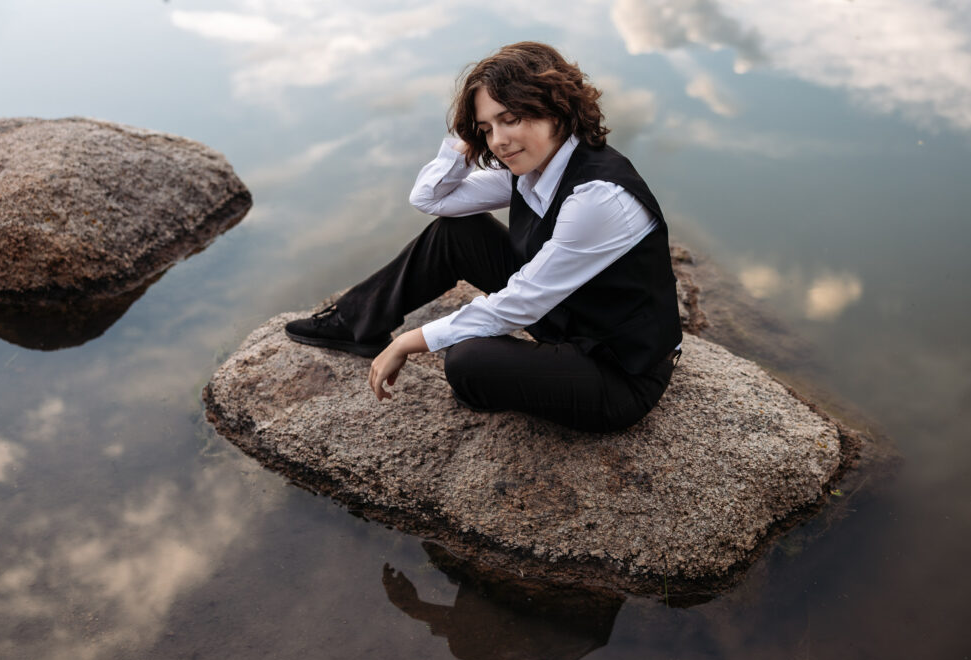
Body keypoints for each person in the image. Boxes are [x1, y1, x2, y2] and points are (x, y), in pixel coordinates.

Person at [285, 41, 682, 433]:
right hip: (571, 316)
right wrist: (467, 143)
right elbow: (430, 198)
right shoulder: (532, 168)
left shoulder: (598, 196)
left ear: (557, 109)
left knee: (466, 360)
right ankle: (356, 323)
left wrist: (409, 342)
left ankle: (501, 384)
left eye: (510, 119)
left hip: (619, 372)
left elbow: (522, 303)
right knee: (459, 231)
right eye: (486, 128)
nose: (498, 141)